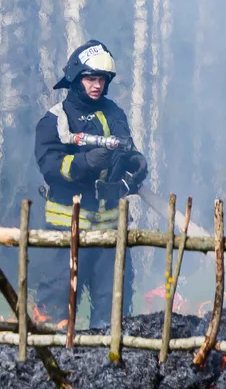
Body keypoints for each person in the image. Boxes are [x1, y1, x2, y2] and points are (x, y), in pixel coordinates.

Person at [30, 40, 149, 329]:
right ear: (75, 78)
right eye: (90, 78)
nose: (97, 85)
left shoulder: (114, 113)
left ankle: (105, 367)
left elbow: (125, 149)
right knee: (55, 309)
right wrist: (85, 162)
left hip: (109, 232)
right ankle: (45, 365)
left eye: (102, 80)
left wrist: (136, 164)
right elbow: (50, 167)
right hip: (68, 231)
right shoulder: (56, 119)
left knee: (113, 310)